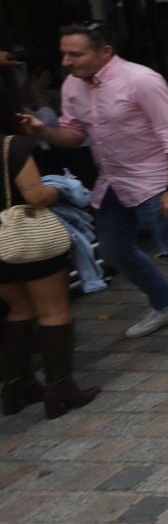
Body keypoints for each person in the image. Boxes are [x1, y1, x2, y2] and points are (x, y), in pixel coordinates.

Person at [20, 24, 168, 354]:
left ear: (105, 52)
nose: (66, 62)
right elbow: (74, 134)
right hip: (113, 180)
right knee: (114, 250)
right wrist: (42, 132)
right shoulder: (74, 85)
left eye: (76, 54)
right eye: (64, 54)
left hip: (154, 178)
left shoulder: (141, 80)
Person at [0, 87, 97, 419]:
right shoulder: (13, 145)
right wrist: (61, 186)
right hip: (27, 240)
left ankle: (17, 386)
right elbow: (36, 196)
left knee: (18, 309)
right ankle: (61, 388)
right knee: (53, 311)